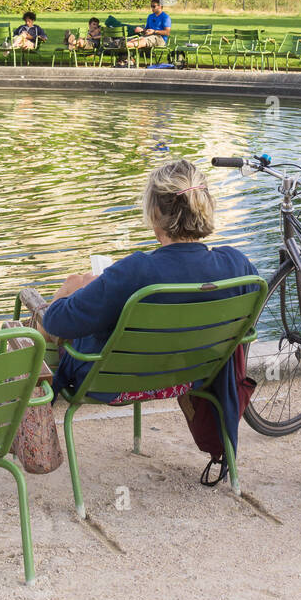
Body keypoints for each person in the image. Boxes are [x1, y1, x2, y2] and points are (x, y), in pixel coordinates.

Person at [40, 158, 260, 459]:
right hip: (190, 379)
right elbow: (244, 330)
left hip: (108, 384)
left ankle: (28, 421)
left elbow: (56, 322)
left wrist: (76, 289)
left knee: (51, 309)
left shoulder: (135, 272)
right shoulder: (239, 266)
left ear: (156, 213)